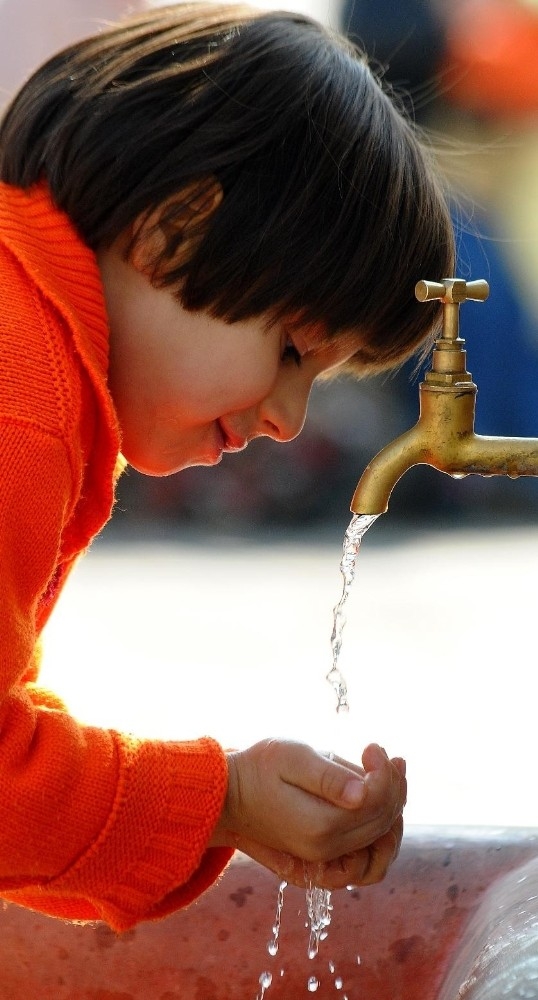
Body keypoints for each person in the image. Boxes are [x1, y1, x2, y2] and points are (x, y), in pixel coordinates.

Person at [0, 2, 454, 933]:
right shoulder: (24, 397)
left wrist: (222, 809)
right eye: (292, 350)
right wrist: (221, 800)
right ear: (174, 231)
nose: (290, 421)